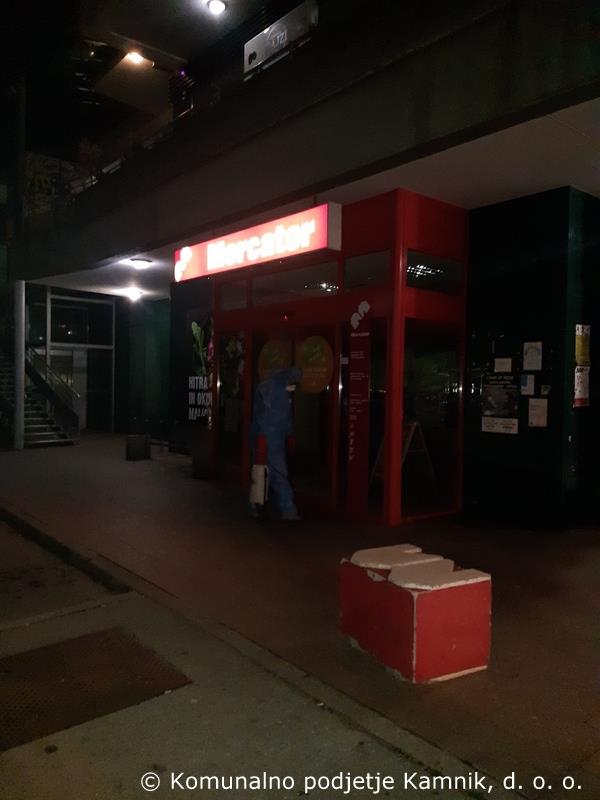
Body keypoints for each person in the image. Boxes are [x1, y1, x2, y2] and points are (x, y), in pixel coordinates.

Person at [249, 366, 302, 521]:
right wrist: (289, 434)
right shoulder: (279, 392)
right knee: (277, 473)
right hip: (272, 438)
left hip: (264, 437)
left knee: (261, 472)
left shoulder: (267, 388)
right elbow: (282, 419)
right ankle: (288, 509)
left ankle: (255, 505)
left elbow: (258, 415)